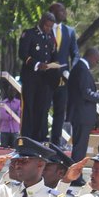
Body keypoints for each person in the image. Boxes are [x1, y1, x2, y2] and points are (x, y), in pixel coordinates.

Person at [17, 11, 58, 142]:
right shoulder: (29, 34)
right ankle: (27, 137)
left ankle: (40, 136)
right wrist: (37, 64)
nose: (48, 29)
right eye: (47, 26)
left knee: (43, 108)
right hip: (31, 77)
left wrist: (54, 65)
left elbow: (53, 53)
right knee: (29, 107)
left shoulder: (51, 37)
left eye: (51, 27)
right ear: (41, 22)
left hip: (45, 79)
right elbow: (23, 53)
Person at [47, 2, 78, 145]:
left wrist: (75, 71)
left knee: (60, 111)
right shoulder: (44, 29)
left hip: (62, 79)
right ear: (52, 12)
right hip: (45, 77)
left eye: (64, 10)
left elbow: (74, 54)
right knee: (43, 108)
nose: (64, 12)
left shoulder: (70, 31)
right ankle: (40, 138)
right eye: (61, 10)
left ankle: (55, 141)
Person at [67, 46, 99, 159]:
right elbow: (86, 93)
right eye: (97, 61)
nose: (96, 63)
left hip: (81, 115)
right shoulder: (82, 69)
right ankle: (75, 175)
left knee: (80, 148)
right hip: (81, 115)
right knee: (80, 148)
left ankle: (76, 174)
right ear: (92, 57)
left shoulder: (80, 68)